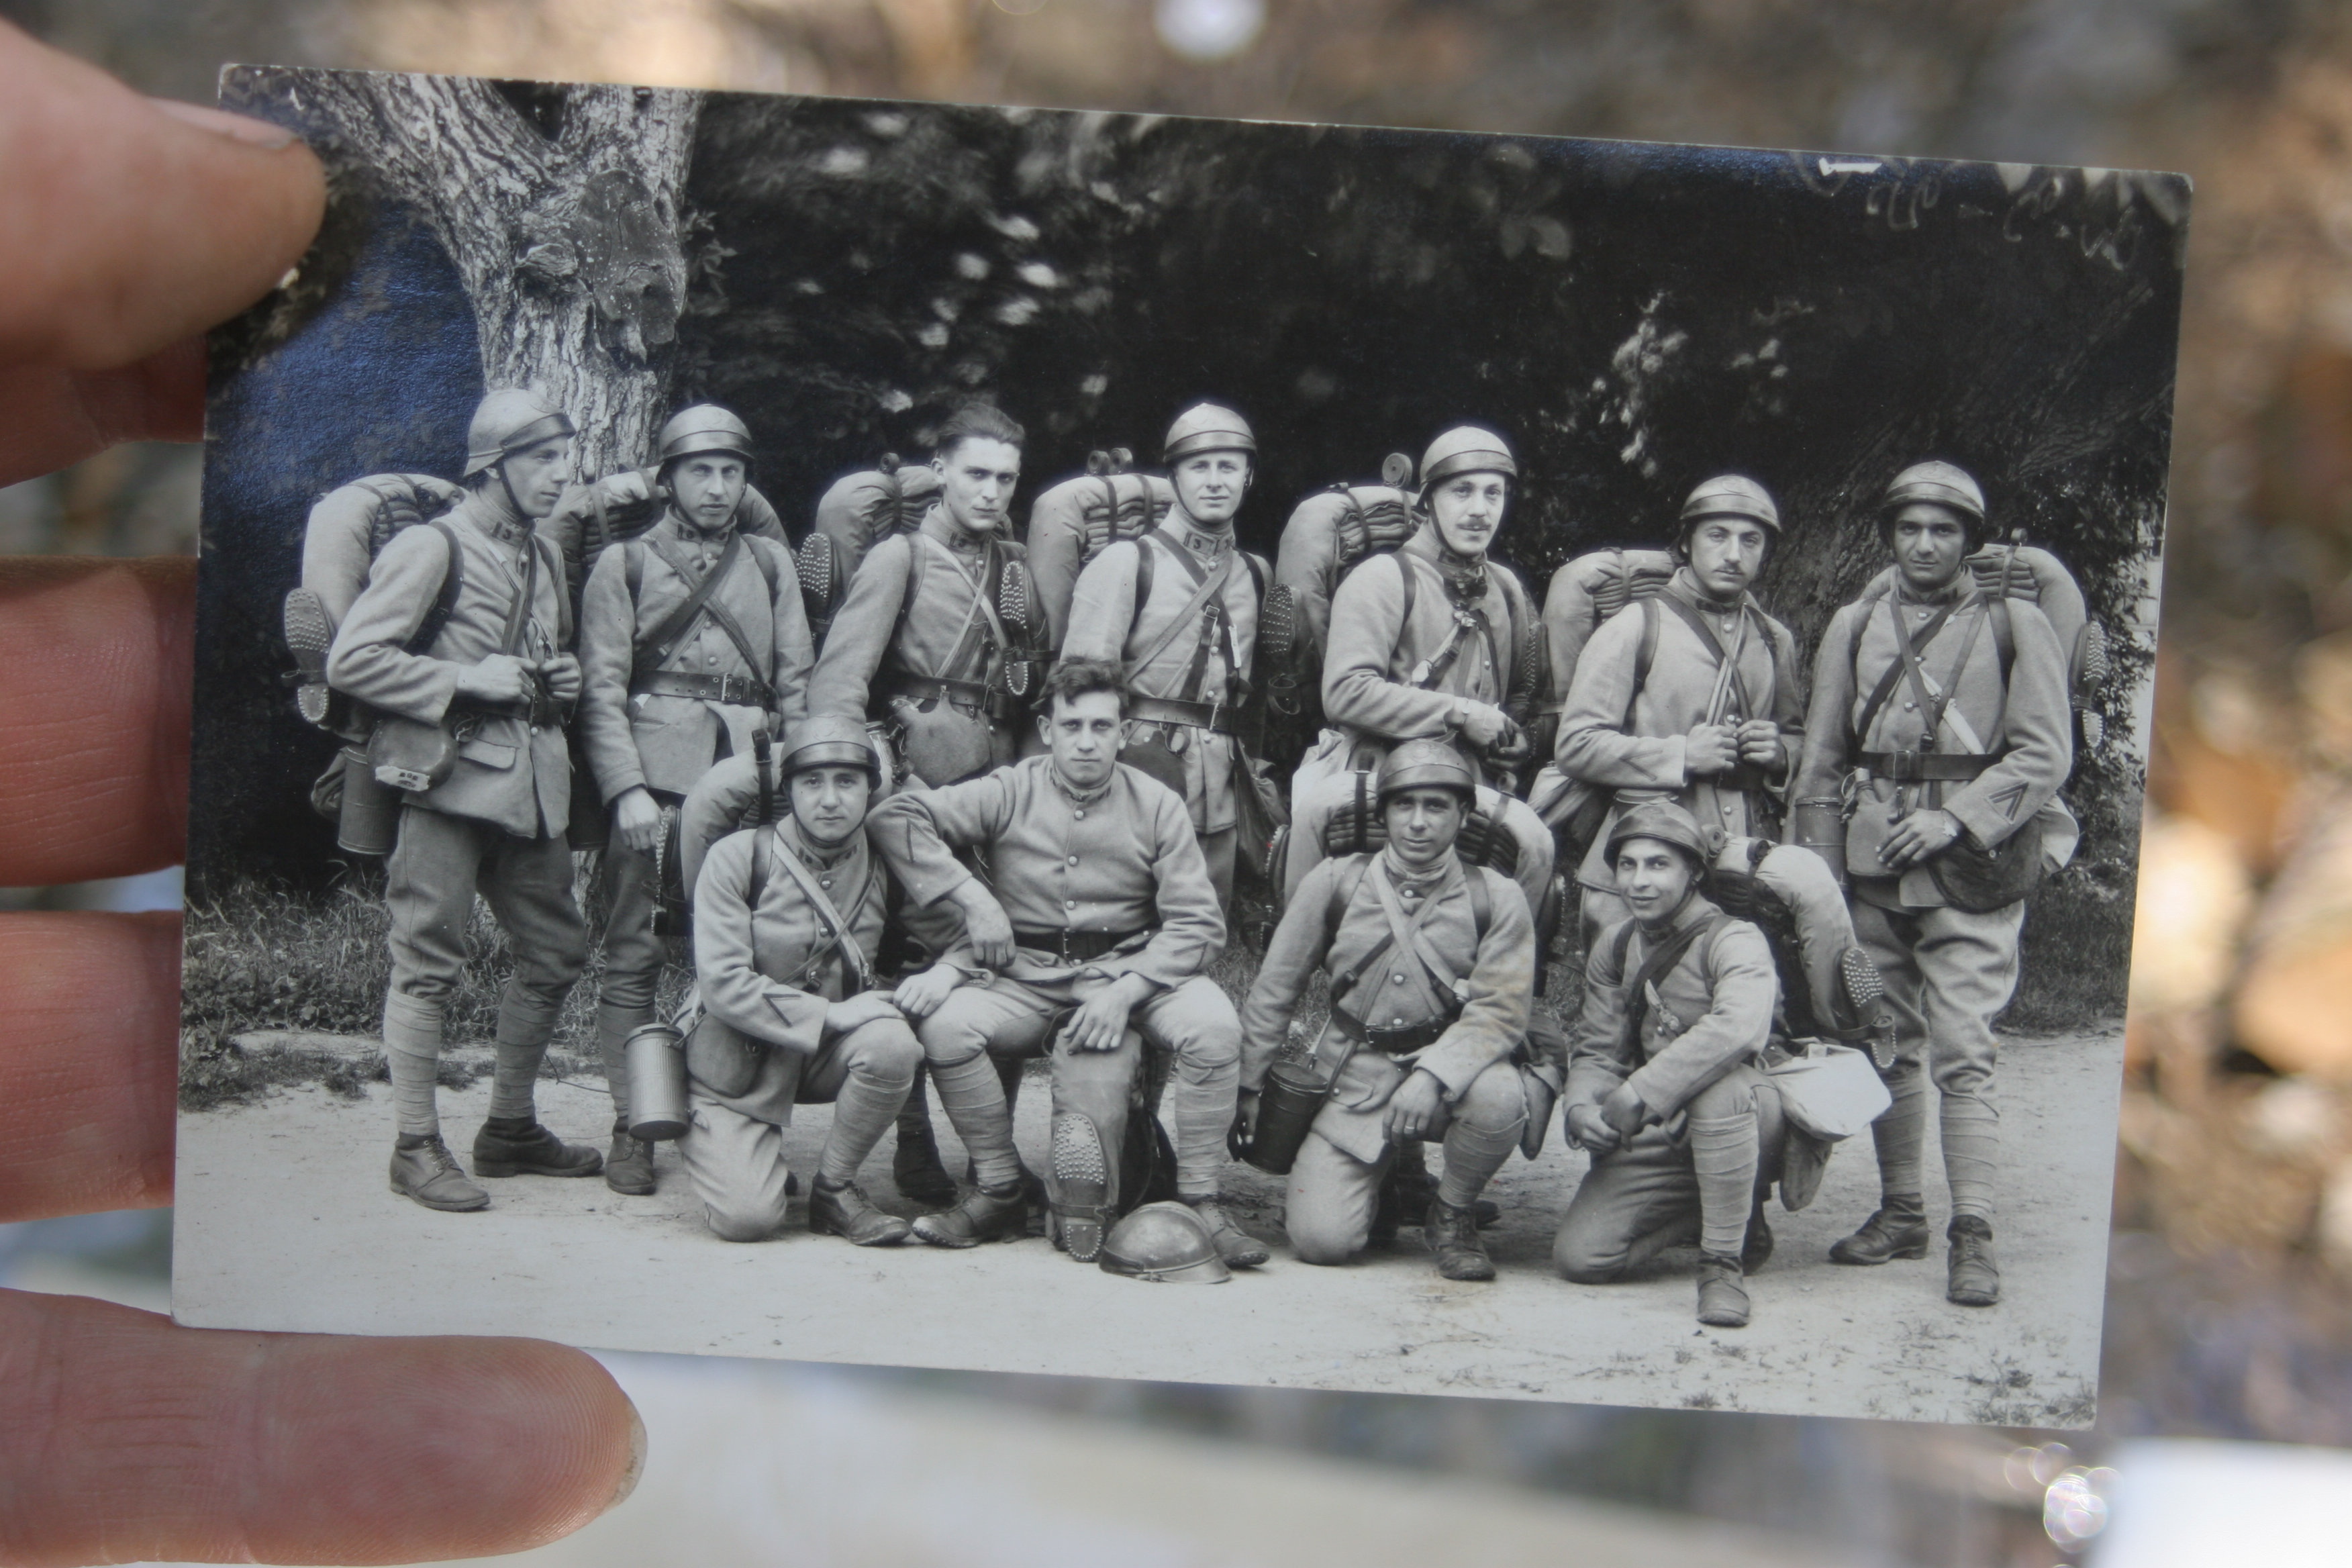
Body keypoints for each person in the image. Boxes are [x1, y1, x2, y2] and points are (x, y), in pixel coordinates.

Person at [865, 658, 1262, 1267]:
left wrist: (1128, 991)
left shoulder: (1156, 804)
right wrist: (973, 900)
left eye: (1102, 727)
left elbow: (1200, 924)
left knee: (1214, 1026)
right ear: (1047, 729)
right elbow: (896, 816)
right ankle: (999, 1187)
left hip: (1134, 967)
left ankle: (1201, 1202)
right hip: (1029, 974)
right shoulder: (1010, 788)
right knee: (946, 1027)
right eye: (1071, 725)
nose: (1085, 742)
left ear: (1123, 734)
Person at [1792, 461, 2075, 1308]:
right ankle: (1902, 1211)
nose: (1924, 544)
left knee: (1965, 1050)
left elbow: (2043, 754)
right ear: (1890, 534)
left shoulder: (2016, 621)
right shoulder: (1854, 621)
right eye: (1910, 528)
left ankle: (1973, 1231)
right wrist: (1819, 878)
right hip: (1874, 871)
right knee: (1889, 1038)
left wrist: (1957, 817)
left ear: (1970, 542)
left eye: (1943, 530)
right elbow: (1821, 759)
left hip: (1973, 869)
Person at [326, 387, 604, 1212]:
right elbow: (354, 659)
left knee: (556, 950)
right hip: (446, 784)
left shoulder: (545, 555)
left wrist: (561, 680)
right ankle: (415, 1145)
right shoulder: (431, 546)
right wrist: (458, 678)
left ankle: (509, 1127)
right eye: (541, 460)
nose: (562, 476)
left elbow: (535, 666)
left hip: (529, 790)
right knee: (427, 962)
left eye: (564, 457)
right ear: (492, 467)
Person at [804, 401, 1040, 1204]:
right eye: (976, 473)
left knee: (997, 962)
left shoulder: (1012, 564)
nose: (991, 491)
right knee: (906, 962)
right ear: (939, 471)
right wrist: (854, 778)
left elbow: (1025, 683)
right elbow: (841, 679)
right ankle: (912, 1146)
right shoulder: (900, 556)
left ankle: (991, 1150)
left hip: (993, 787)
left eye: (1006, 478)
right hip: (908, 784)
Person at [575, 402, 812, 1195]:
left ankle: (736, 1117)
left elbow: (798, 685)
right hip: (658, 784)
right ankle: (632, 1119)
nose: (717, 487)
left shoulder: (773, 564)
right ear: (669, 478)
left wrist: (800, 790)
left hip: (753, 781)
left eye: (731, 471)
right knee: (636, 949)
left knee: (752, 951)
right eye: (699, 471)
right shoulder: (625, 565)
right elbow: (602, 692)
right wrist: (625, 788)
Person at [1238, 740, 1538, 1279]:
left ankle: (1452, 1212)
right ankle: (1390, 1181)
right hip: (1354, 1077)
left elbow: (1501, 1011)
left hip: (1450, 1076)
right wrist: (1250, 1087)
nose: (1418, 823)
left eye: (1437, 807)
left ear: (1463, 815)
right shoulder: (1335, 880)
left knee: (1500, 1096)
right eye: (1404, 806)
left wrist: (1433, 1076)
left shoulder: (1497, 895)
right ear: (1383, 813)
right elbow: (1274, 989)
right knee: (1322, 1242)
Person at [681, 716, 967, 1245]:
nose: (830, 800)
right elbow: (722, 983)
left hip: (824, 1056)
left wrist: (948, 970)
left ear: (869, 789)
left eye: (847, 782)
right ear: (789, 789)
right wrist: (832, 1014)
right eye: (813, 782)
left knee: (891, 1043)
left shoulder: (887, 864)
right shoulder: (739, 858)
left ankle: (834, 1190)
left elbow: (966, 937)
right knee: (749, 1221)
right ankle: (719, 1140)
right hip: (738, 1065)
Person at [1286, 424, 1554, 920]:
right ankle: (1296, 942)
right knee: (1315, 816)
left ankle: (1513, 972)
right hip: (1378, 768)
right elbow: (1345, 694)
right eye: (1463, 491)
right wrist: (1459, 713)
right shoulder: (1384, 577)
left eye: (1493, 493)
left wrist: (1511, 739)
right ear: (1429, 499)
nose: (1480, 509)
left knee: (1536, 844)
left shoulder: (1507, 589)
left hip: (1470, 780)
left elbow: (1520, 695)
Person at [1552, 802, 1785, 1328]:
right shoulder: (1616, 944)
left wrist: (1640, 1093)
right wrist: (1582, 1105)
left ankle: (1722, 1263)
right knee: (1581, 1259)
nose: (1639, 881)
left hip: (1748, 1111)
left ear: (1694, 873)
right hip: (1663, 1127)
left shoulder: (1733, 938)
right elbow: (1597, 1047)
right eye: (1628, 865)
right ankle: (1710, 1209)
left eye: (1659, 865)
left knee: (1719, 1090)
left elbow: (1738, 1029)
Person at [1551, 475, 1804, 942]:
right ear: (1686, 542)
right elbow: (1576, 744)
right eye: (1717, 536)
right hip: (1648, 851)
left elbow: (1798, 736)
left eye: (1751, 540)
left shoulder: (1774, 638)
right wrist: (1681, 755)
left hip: (1744, 855)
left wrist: (1782, 753)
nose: (1734, 554)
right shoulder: (1636, 625)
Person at [1060, 402, 1265, 909]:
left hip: (1220, 781)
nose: (1215, 481)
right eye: (1199, 466)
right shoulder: (1128, 560)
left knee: (1202, 923)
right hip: (1139, 769)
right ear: (1174, 477)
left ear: (1249, 477)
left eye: (1229, 466)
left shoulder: (1255, 574)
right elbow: (1081, 691)